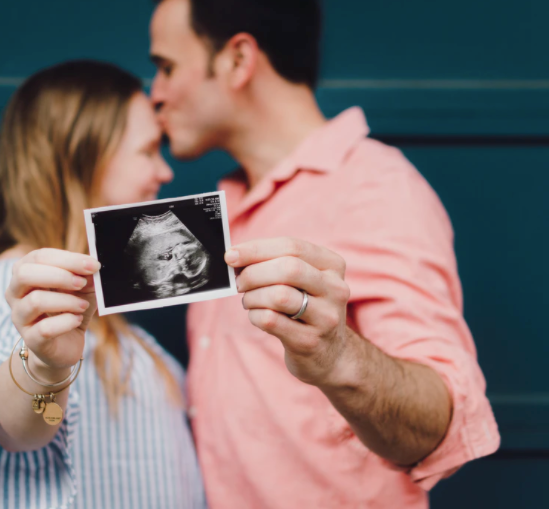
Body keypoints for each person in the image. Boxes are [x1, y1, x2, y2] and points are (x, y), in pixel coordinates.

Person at [148, 0, 500, 507]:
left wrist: (337, 356)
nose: (154, 94)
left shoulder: (375, 188)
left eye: (167, 67)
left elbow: (439, 426)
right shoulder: (219, 212)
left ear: (237, 60)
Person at [0, 60, 206, 509]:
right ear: (80, 159)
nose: (165, 172)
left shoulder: (107, 314)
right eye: (147, 151)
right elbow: (16, 428)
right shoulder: (16, 290)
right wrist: (45, 367)